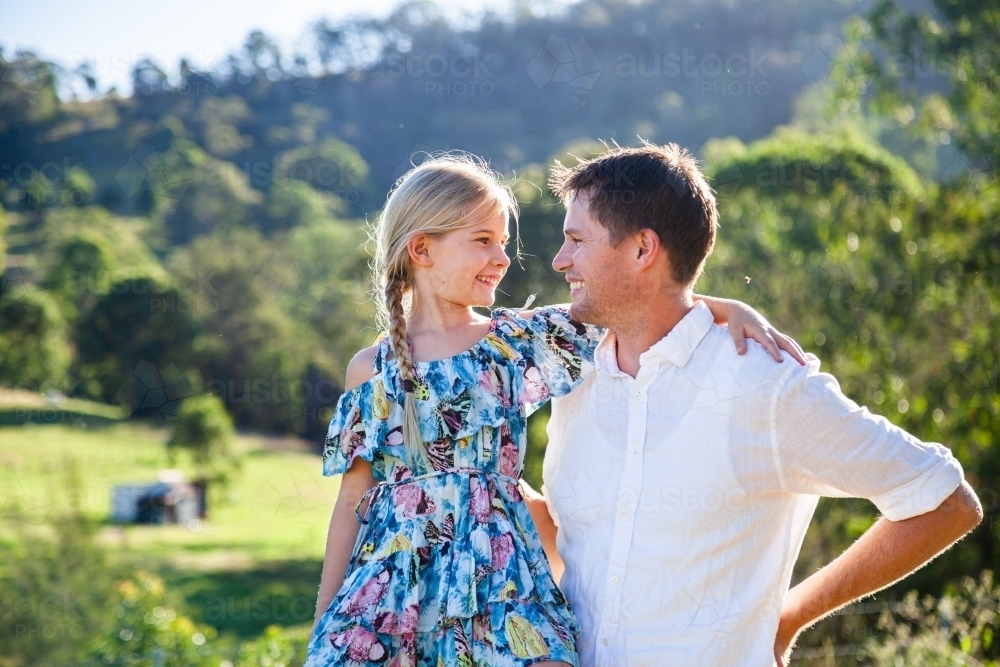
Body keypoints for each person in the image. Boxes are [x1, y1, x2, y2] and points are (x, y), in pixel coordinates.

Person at [303, 152, 803, 667]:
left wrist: (730, 308)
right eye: (482, 241)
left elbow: (645, 298)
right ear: (422, 249)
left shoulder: (518, 340)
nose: (502, 258)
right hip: (392, 590)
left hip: (500, 581)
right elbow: (352, 500)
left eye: (503, 243)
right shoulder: (371, 369)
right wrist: (327, 620)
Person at [522, 141, 984, 667]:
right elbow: (576, 543)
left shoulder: (764, 386)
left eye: (576, 240)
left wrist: (787, 616)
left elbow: (946, 503)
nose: (561, 261)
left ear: (642, 250)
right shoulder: (568, 368)